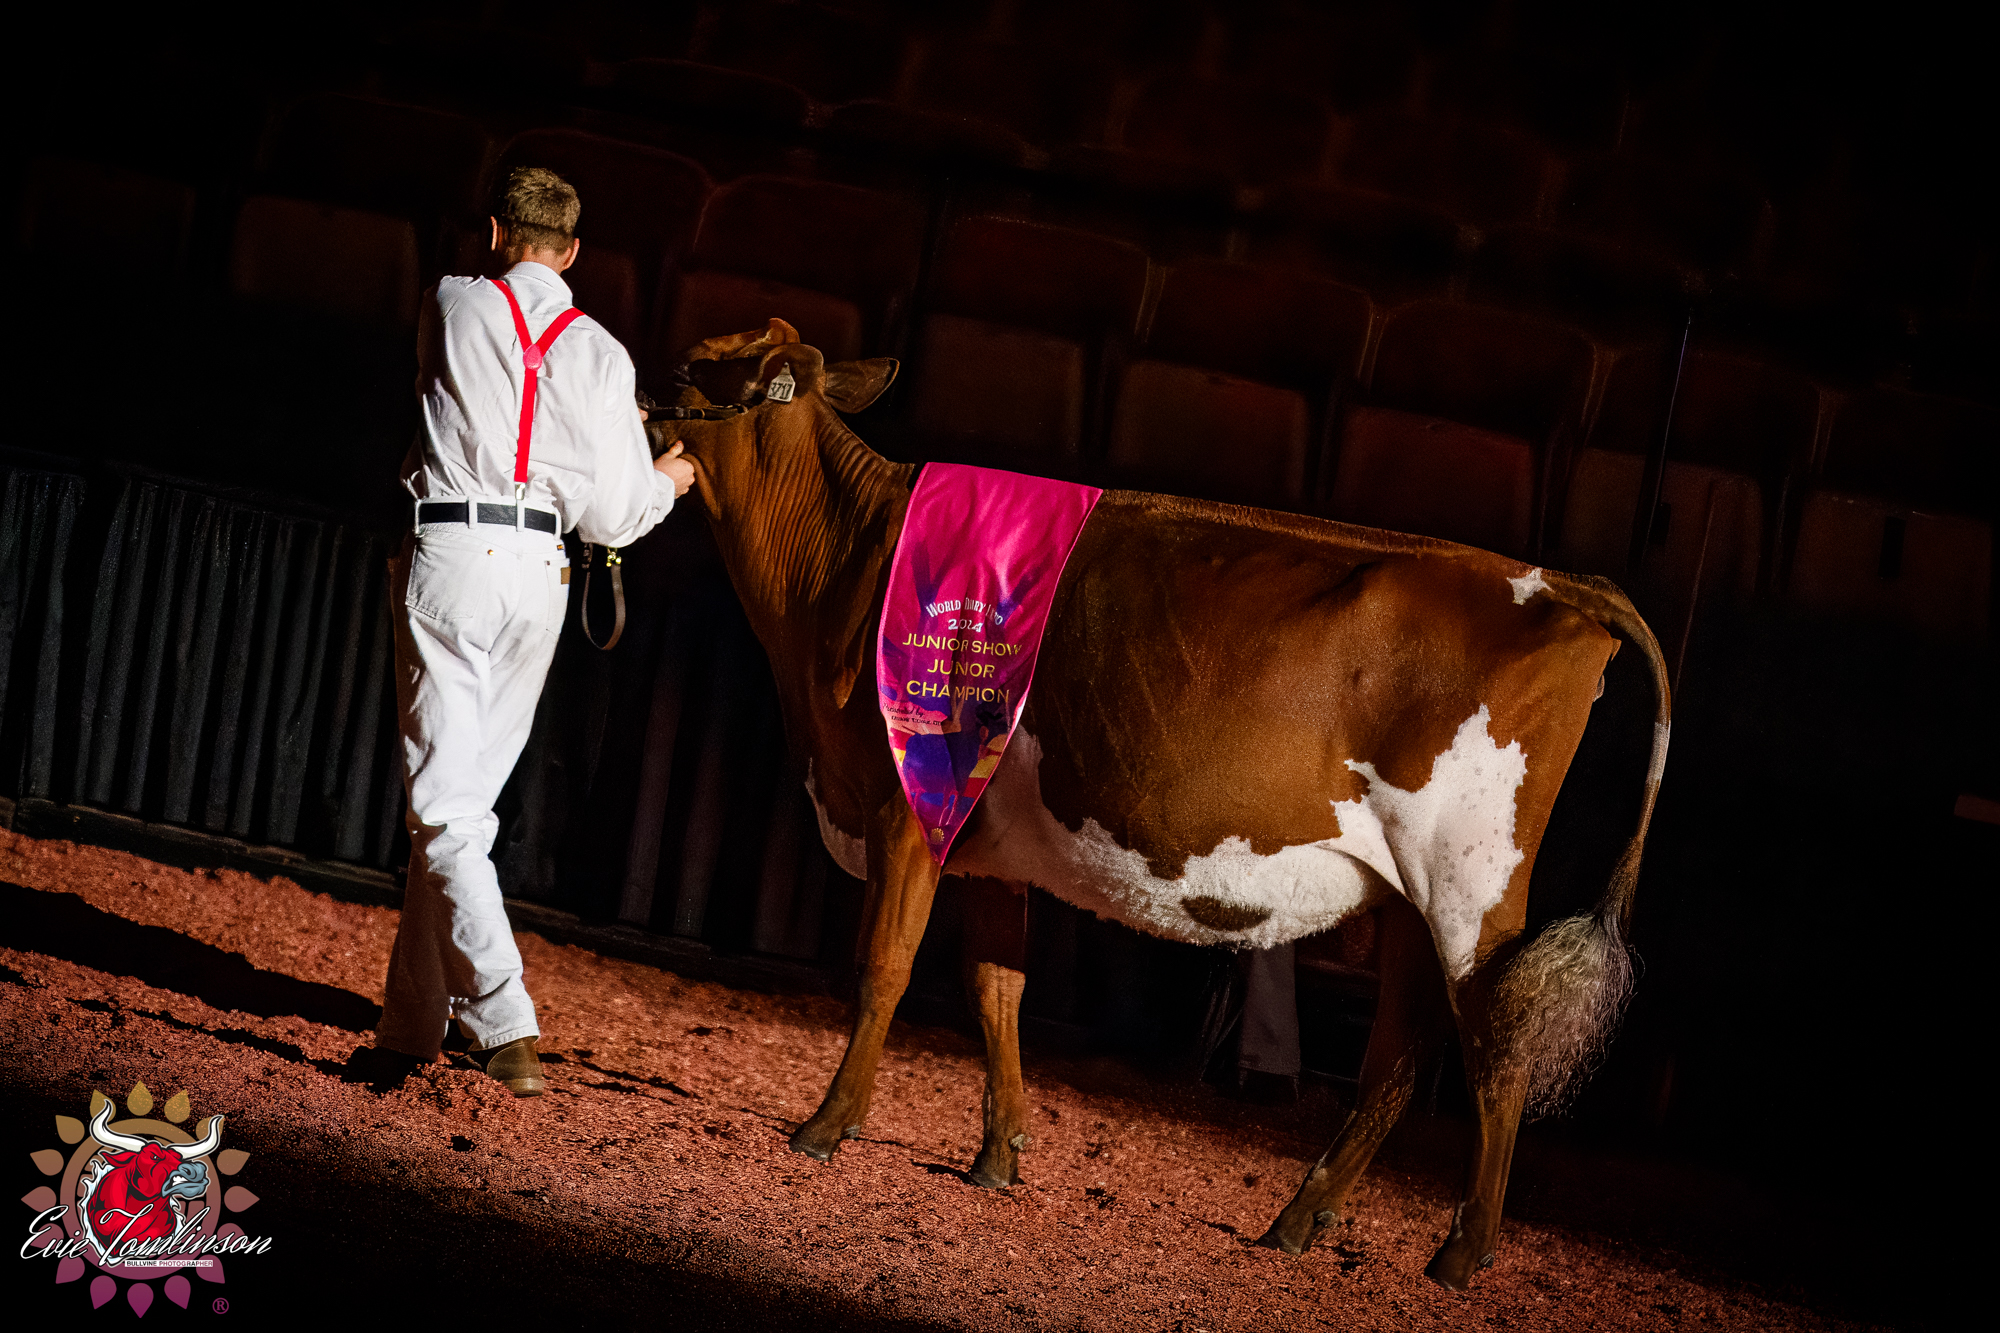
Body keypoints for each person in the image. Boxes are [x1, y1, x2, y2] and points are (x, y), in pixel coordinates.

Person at [370, 166, 694, 1096]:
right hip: (540, 571)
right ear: (576, 250)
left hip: (453, 553)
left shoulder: (450, 301)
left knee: (446, 809)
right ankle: (408, 1030)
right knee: (460, 809)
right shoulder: (605, 354)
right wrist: (667, 477)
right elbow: (615, 515)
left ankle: (503, 1016)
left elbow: (482, 385)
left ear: (495, 234)